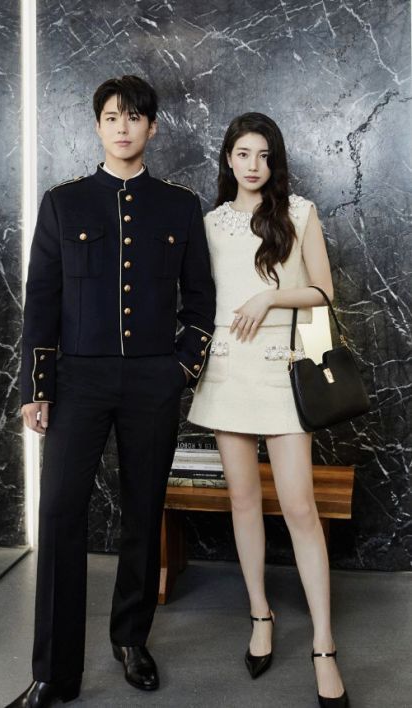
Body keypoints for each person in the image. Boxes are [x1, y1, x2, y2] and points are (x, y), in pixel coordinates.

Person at [7, 75, 215, 707]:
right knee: (59, 514)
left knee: (143, 512)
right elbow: (42, 300)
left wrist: (181, 368)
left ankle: (131, 640)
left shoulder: (179, 206)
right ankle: (54, 672)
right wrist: (37, 387)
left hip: (153, 380)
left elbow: (201, 299)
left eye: (134, 117)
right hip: (79, 381)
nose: (123, 127)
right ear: (98, 126)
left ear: (152, 127)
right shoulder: (62, 203)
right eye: (111, 117)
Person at [188, 112, 349, 708]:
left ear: (273, 161)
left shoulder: (299, 213)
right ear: (228, 159)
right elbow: (198, 298)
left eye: (263, 155)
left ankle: (324, 644)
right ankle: (260, 613)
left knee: (300, 506)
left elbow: (323, 291)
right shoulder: (210, 223)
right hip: (228, 370)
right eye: (242, 154)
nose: (253, 165)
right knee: (243, 500)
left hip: (282, 370)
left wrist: (272, 296)